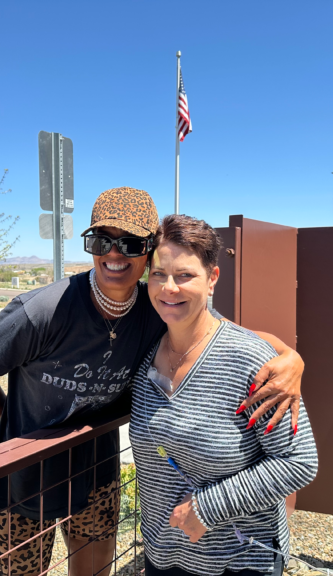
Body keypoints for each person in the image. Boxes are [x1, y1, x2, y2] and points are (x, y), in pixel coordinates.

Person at [0, 187, 306, 576]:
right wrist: (15, 419)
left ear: (149, 250)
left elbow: (235, 336)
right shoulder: (41, 311)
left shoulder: (158, 304)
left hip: (95, 468)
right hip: (22, 474)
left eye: (131, 242)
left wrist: (293, 360)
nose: (114, 253)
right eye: (101, 240)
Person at [130, 214, 318, 576]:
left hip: (239, 560)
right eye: (159, 274)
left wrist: (208, 507)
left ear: (212, 279)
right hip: (162, 556)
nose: (169, 288)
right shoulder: (145, 352)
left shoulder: (252, 362)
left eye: (185, 275)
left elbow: (298, 460)